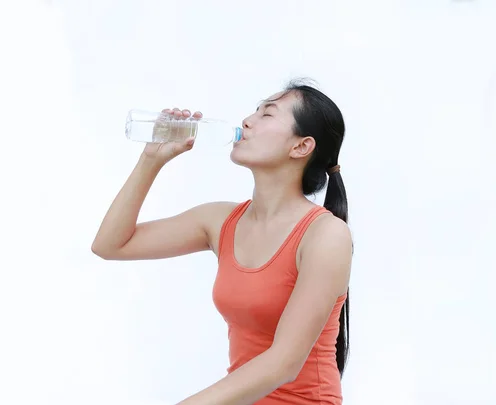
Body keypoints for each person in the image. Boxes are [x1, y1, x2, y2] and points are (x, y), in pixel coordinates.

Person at [91, 79, 354, 405]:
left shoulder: (326, 235)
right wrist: (151, 159)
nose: (247, 120)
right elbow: (110, 245)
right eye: (255, 110)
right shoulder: (219, 221)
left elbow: (284, 363)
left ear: (301, 147)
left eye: (267, 115)